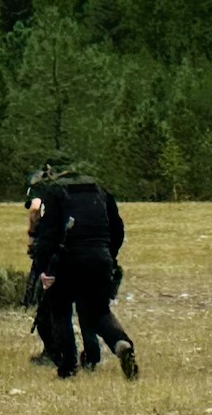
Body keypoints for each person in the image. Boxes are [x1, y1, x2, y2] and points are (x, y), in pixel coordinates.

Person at [28, 156, 138, 380]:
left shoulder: (54, 192)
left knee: (60, 311)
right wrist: (109, 256)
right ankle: (121, 343)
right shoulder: (99, 190)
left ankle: (68, 367)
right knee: (99, 312)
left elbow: (47, 236)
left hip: (66, 260)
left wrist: (43, 268)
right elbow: (117, 229)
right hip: (100, 257)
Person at [22, 162, 102, 370]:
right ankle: (92, 356)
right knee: (86, 308)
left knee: (50, 307)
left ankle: (58, 355)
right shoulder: (79, 190)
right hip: (85, 250)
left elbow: (35, 207)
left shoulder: (43, 187)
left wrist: (32, 234)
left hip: (52, 253)